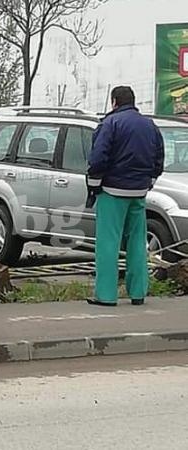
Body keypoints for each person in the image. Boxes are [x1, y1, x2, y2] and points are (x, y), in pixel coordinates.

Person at [86, 86, 165, 307]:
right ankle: (138, 293)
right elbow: (159, 157)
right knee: (138, 243)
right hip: (139, 192)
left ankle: (106, 296)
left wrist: (94, 185)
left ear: (114, 102)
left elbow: (98, 158)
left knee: (108, 243)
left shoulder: (110, 124)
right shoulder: (150, 125)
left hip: (112, 191)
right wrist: (149, 180)